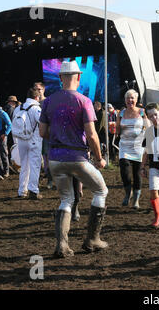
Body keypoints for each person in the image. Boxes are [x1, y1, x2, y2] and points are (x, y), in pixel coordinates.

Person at [39, 60, 109, 258]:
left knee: (66, 199)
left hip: (55, 159)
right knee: (101, 190)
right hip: (77, 157)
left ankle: (62, 246)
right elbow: (92, 134)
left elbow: (42, 132)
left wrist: (61, 133)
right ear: (78, 77)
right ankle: (92, 239)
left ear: (61, 78)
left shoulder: (48, 102)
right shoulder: (84, 101)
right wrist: (99, 158)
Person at [116, 89, 146, 209]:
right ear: (125, 100)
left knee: (137, 173)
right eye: (128, 98)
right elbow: (118, 129)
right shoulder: (121, 113)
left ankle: (136, 200)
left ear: (136, 99)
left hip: (138, 147)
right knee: (124, 171)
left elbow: (147, 126)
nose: (130, 100)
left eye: (132, 98)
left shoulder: (142, 112)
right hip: (124, 146)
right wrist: (115, 129)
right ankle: (128, 193)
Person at [13, 88, 43, 199]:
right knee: (35, 165)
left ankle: (22, 191)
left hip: (21, 140)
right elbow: (42, 122)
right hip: (34, 139)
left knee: (24, 165)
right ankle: (34, 190)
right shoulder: (36, 108)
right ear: (36, 97)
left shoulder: (18, 108)